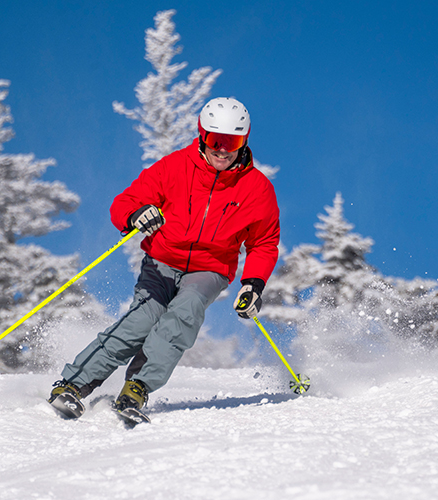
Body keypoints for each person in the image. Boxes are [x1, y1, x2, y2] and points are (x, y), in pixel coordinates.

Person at [48, 97, 280, 419]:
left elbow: (264, 243)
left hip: (209, 268)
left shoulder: (256, 189)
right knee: (138, 324)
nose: (223, 150)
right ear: (202, 136)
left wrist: (253, 284)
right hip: (162, 261)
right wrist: (136, 214)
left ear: (244, 141)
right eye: (216, 140)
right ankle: (72, 385)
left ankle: (137, 389)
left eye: (233, 142)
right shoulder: (175, 167)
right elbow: (126, 201)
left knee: (183, 316)